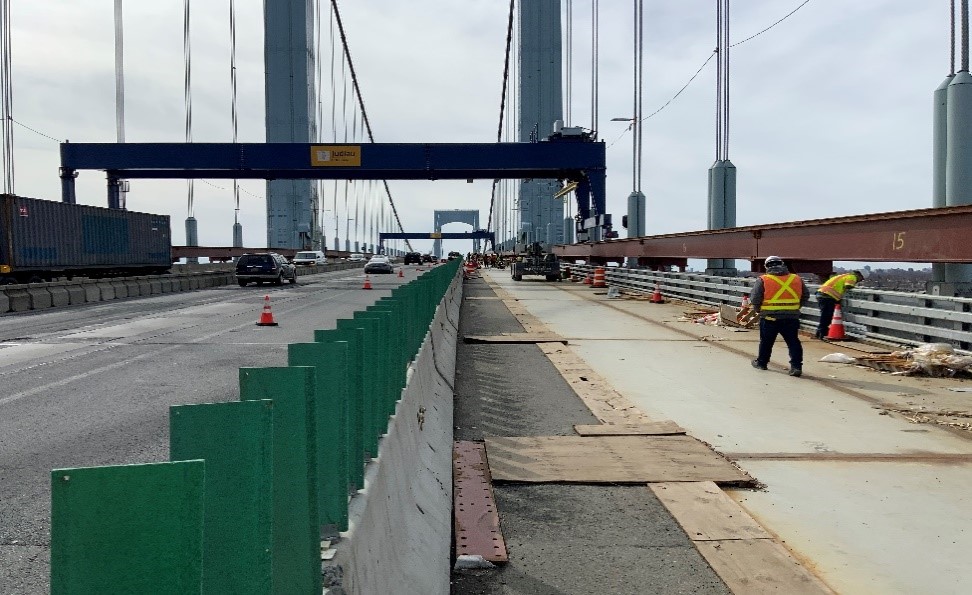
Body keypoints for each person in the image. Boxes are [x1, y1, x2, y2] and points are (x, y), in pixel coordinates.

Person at [749, 256, 810, 377]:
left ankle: (762, 363)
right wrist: (794, 308)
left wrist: (759, 310)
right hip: (791, 318)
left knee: (766, 342)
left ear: (767, 267)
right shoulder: (796, 278)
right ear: (782, 265)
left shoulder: (763, 279)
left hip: (769, 318)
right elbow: (805, 296)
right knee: (793, 342)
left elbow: (755, 299)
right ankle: (796, 367)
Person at [814, 269, 868, 340]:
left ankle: (820, 332)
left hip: (822, 293)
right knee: (827, 315)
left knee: (825, 315)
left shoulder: (844, 275)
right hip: (827, 296)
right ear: (860, 275)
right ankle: (822, 332)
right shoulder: (852, 277)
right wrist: (857, 287)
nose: (860, 280)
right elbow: (848, 286)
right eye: (861, 279)